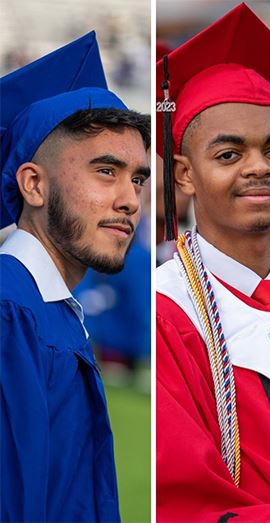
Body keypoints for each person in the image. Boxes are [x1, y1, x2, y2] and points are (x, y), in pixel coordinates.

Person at [153, 4, 270, 520]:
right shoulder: (166, 313)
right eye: (228, 154)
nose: (259, 167)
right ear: (184, 175)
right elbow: (184, 504)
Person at [0, 32, 150, 521]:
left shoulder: (47, 308)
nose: (130, 199)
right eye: (106, 171)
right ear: (34, 184)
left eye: (138, 177)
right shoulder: (10, 312)